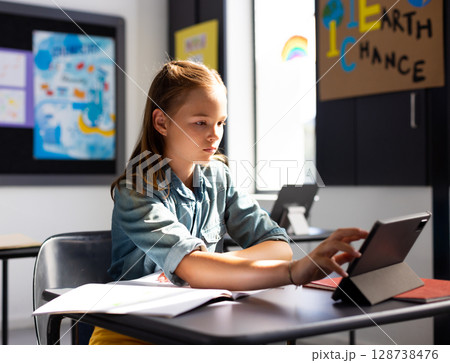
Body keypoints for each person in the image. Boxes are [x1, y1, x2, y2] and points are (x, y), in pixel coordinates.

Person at [89, 60, 368, 344]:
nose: (215, 135)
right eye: (200, 123)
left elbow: (279, 247)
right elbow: (191, 268)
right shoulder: (136, 188)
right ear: (162, 122)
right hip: (130, 328)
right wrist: (292, 272)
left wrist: (214, 264)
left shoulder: (218, 176)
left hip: (199, 321)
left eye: (220, 122)